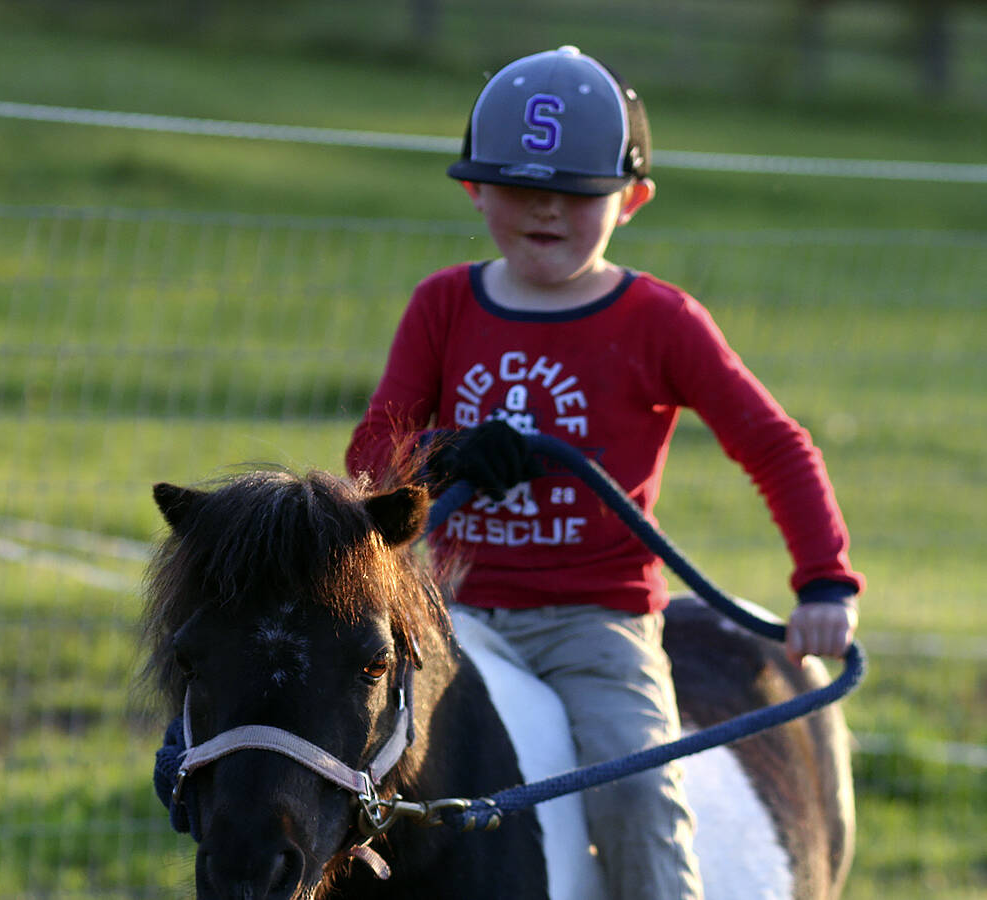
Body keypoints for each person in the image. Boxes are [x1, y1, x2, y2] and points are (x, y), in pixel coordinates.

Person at [344, 45, 863, 899]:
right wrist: (441, 453)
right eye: (518, 186)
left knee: (637, 800)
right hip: (452, 611)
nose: (547, 209)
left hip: (597, 627)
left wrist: (824, 585)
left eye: (579, 193)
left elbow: (773, 443)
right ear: (474, 189)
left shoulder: (663, 321)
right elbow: (371, 457)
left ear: (633, 200)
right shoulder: (443, 304)